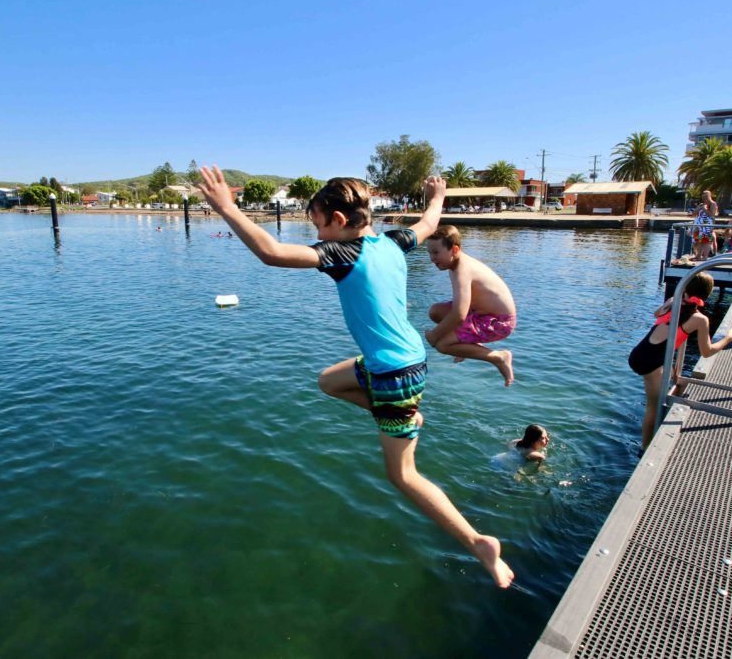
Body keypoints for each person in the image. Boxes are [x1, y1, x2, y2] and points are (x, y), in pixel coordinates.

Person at [195, 165, 514, 589]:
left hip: (394, 373)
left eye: (318, 225)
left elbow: (272, 252)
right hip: (401, 361)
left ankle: (478, 543)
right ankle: (402, 416)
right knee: (329, 380)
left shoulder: (343, 255)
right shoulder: (391, 243)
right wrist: (437, 196)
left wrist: (227, 208)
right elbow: (428, 224)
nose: (318, 234)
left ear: (339, 221)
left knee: (402, 476)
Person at [628, 272, 732, 450]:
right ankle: (645, 449)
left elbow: (656, 313)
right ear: (706, 294)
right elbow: (707, 351)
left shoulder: (674, 302)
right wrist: (729, 337)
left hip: (640, 352)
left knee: (665, 375)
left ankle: (672, 372)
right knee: (654, 407)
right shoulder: (700, 319)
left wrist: (670, 301)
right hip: (649, 361)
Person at [423, 225, 517, 386]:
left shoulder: (462, 269)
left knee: (443, 344)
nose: (432, 258)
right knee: (435, 312)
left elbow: (459, 314)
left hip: (499, 323)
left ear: (454, 250)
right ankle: (466, 344)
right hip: (480, 314)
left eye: (436, 252)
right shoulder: (455, 265)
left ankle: (499, 357)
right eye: (430, 253)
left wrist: (435, 334)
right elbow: (460, 309)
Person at [690, 191, 719, 261]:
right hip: (699, 225)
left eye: (706, 196)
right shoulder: (701, 204)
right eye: (703, 197)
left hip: (707, 225)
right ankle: (698, 255)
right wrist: (698, 209)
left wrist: (704, 209)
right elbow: (693, 214)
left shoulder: (713, 204)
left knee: (706, 241)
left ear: (710, 196)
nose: (704, 198)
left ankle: (705, 257)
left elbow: (712, 215)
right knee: (699, 240)